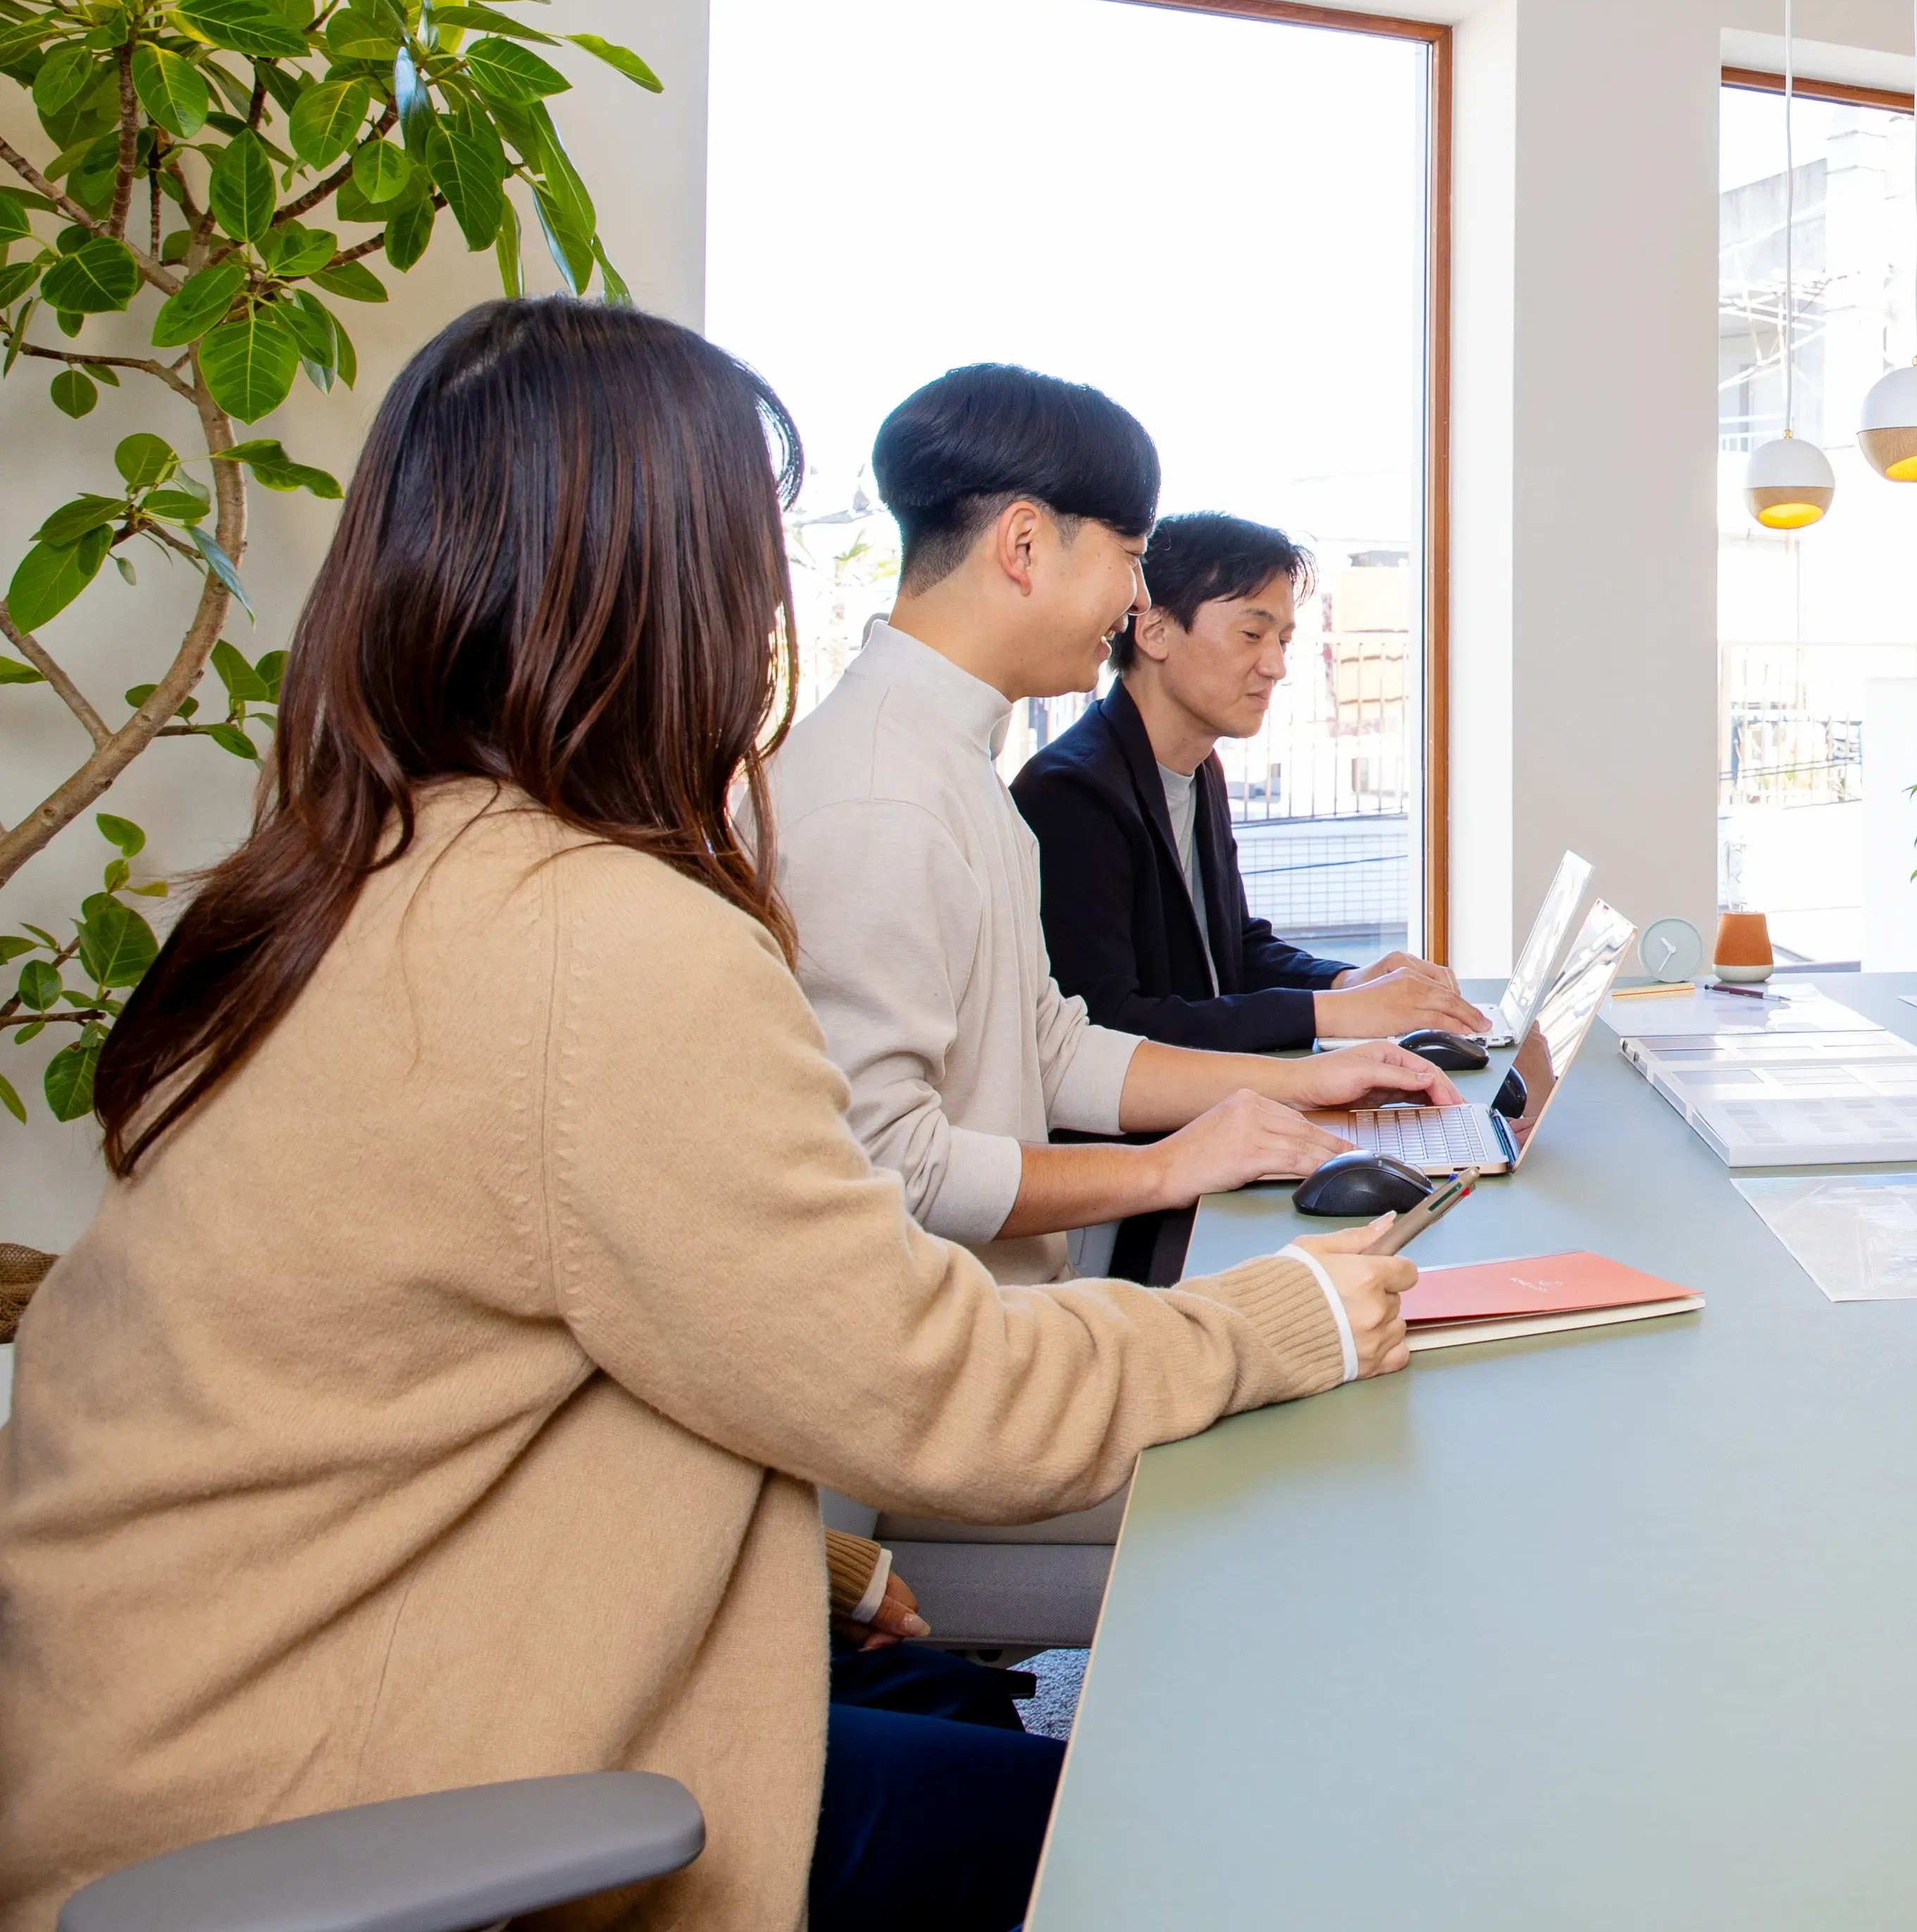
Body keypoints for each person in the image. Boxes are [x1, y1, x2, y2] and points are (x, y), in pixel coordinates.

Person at [0, 299, 1417, 1932]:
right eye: (749, 562)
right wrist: (1290, 1315)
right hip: (360, 1807)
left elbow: (490, 1359)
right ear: (668, 593)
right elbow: (918, 1378)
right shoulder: (597, 937)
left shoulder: (334, 883)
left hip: (210, 1763)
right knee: (1207, 1834)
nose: (770, 616)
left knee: (1006, 1744)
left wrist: (820, 1574)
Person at [762, 366, 1459, 1287]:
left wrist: (1302, 1083)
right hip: (956, 1344)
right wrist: (1169, 1166)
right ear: (1023, 545)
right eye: (1130, 557)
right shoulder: (879, 797)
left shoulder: (950, 761)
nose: (1136, 602)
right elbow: (885, 1161)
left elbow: (1050, 1047)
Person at [1012, 512, 1482, 1058]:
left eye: (1283, 639)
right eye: (1253, 635)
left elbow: (1234, 946)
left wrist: (1348, 984)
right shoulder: (1072, 794)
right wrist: (1335, 1012)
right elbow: (1107, 1026)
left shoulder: (1200, 766)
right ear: (1155, 630)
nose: (1277, 665)